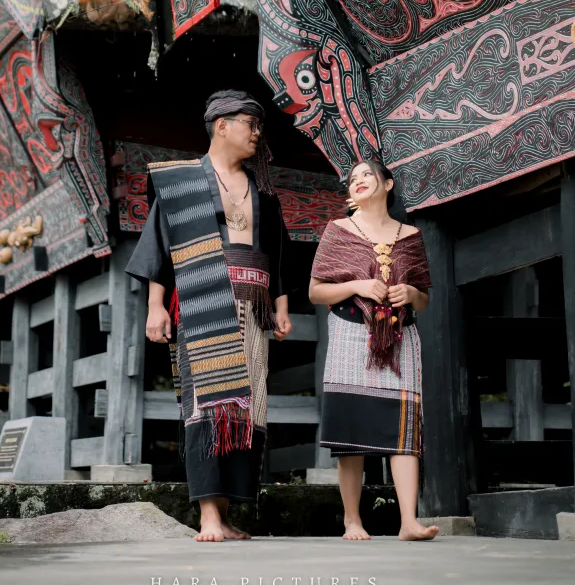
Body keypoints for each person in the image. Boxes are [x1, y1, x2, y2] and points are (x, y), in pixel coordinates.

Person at [127, 90, 293, 542]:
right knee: (206, 406)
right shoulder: (182, 182)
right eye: (250, 124)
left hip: (253, 306)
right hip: (202, 300)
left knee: (247, 407)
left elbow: (278, 254)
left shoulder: (264, 192)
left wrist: (280, 306)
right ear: (222, 125)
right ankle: (207, 515)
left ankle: (226, 510)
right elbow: (161, 247)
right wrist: (156, 306)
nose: (257, 134)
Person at [309, 158, 438, 542]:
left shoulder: (410, 236)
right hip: (351, 333)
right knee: (351, 429)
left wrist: (410, 292)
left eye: (367, 174)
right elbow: (316, 291)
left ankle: (408, 522)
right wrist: (357, 286)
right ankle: (352, 520)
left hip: (401, 336)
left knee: (404, 429)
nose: (359, 181)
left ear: (388, 183)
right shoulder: (338, 231)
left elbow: (424, 299)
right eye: (353, 179)